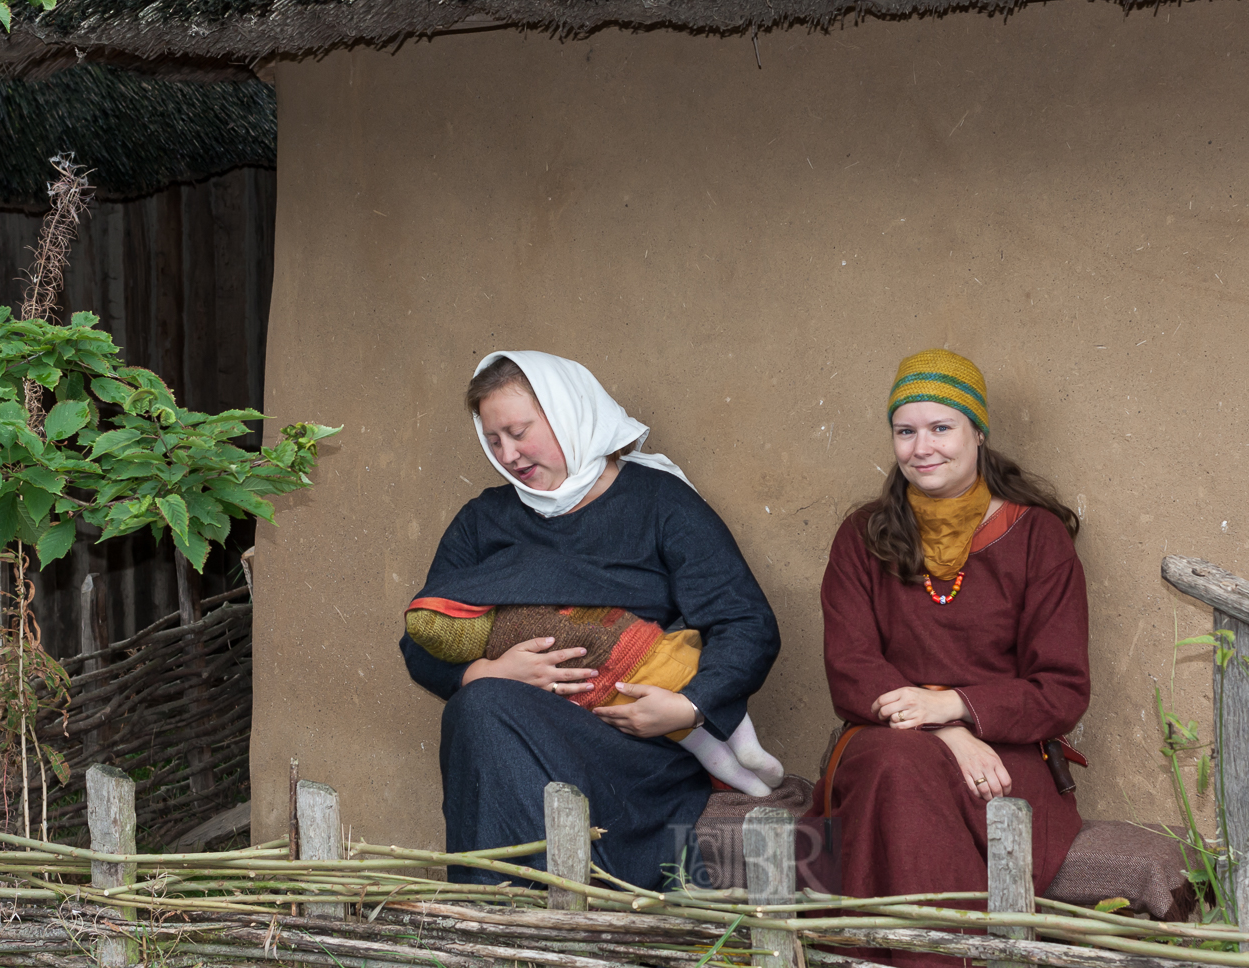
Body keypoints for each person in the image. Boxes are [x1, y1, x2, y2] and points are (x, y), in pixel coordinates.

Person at [400, 350, 782, 887]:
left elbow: (745, 623)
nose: (508, 453)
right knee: (480, 708)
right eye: (493, 440)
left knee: (486, 713)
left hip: (635, 748)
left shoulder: (658, 503)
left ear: (569, 414)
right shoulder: (483, 523)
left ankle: (544, 912)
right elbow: (422, 637)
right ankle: (512, 922)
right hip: (509, 732)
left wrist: (686, 706)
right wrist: (485, 673)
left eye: (518, 431)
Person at [819, 348, 1090, 964]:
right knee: (896, 767)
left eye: (941, 427)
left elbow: (1062, 687)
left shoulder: (1036, 537)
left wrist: (959, 709)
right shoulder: (863, 536)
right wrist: (944, 729)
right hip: (884, 736)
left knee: (904, 774)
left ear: (979, 433)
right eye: (905, 431)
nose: (922, 447)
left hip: (1005, 755)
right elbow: (850, 667)